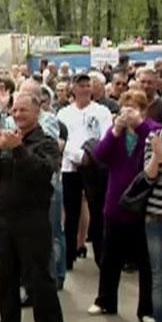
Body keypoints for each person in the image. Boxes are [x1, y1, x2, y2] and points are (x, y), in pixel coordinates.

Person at [0, 92, 64, 322]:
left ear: (37, 112)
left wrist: (18, 149)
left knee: (39, 282)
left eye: (23, 110)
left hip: (33, 222)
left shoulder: (46, 143)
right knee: (5, 280)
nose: (17, 115)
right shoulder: (6, 141)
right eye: (14, 110)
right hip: (5, 222)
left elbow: (41, 174)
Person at [88, 90, 158, 322]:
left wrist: (139, 125)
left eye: (134, 108)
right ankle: (105, 300)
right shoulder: (115, 132)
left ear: (144, 109)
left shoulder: (153, 130)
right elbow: (100, 155)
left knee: (146, 262)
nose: (128, 113)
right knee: (110, 258)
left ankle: (147, 309)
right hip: (115, 204)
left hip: (143, 206)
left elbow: (158, 146)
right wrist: (116, 130)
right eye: (125, 108)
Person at [57, 73, 112, 271]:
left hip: (95, 167)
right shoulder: (63, 113)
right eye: (81, 85)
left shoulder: (102, 112)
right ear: (73, 89)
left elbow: (106, 137)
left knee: (98, 213)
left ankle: (101, 255)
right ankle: (69, 256)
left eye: (88, 85)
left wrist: (89, 156)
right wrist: (77, 155)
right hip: (70, 167)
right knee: (71, 214)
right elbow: (60, 140)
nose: (85, 89)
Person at [144, 110, 162, 322]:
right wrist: (156, 156)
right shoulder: (154, 138)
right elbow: (149, 176)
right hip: (156, 216)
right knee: (159, 276)